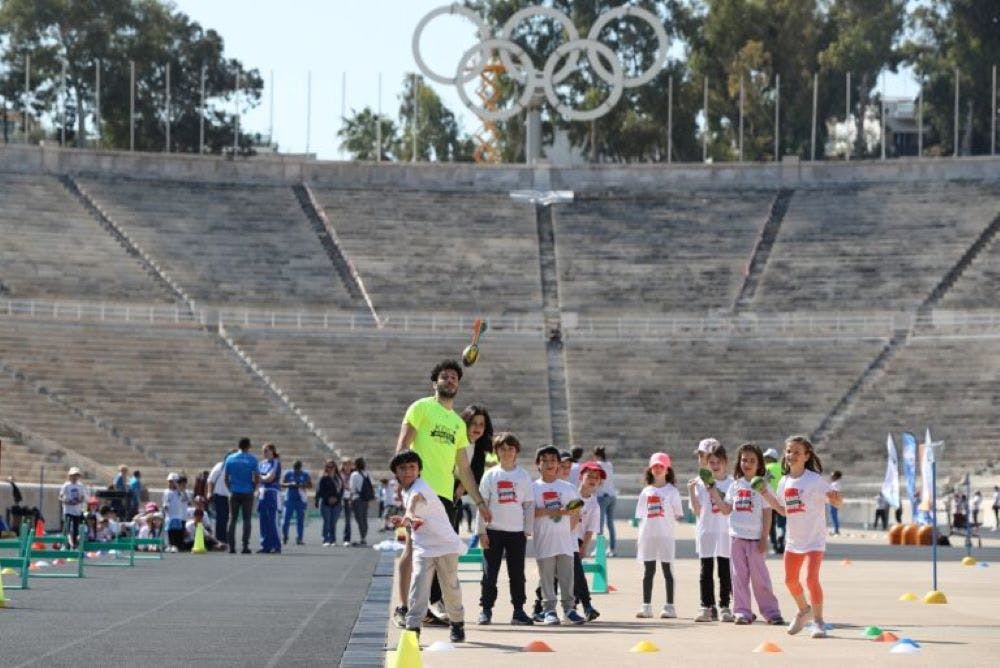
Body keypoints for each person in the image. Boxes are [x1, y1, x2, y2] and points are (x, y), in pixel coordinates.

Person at [393, 360, 491, 629]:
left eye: (454, 378)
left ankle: (422, 608)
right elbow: (402, 445)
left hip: (445, 496)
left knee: (439, 556)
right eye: (444, 377)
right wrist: (402, 483)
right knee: (414, 549)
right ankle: (404, 608)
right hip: (420, 490)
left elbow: (463, 468)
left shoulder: (458, 424)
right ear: (434, 382)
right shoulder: (422, 407)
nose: (450, 380)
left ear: (459, 384)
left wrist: (480, 502)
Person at [758, 435, 843, 639]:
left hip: (814, 539)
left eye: (797, 452)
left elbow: (837, 503)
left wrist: (836, 499)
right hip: (794, 540)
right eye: (789, 451)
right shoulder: (784, 482)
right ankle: (804, 610)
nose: (791, 455)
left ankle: (819, 622)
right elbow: (783, 510)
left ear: (806, 456)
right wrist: (764, 493)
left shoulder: (814, 480)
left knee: (811, 579)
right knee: (790, 581)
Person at [390, 450, 468, 644]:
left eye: (412, 467)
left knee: (450, 587)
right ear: (396, 473)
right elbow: (416, 516)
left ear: (419, 470)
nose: (407, 471)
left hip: (445, 545)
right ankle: (413, 628)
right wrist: (407, 520)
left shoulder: (420, 487)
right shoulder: (404, 490)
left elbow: (416, 501)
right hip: (423, 546)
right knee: (418, 586)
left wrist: (407, 514)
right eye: (402, 468)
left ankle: (457, 623)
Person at [707, 443, 784, 626]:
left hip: (756, 540)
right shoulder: (735, 486)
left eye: (752, 460)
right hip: (736, 539)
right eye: (744, 460)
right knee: (738, 577)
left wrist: (764, 539)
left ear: (759, 464)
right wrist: (713, 491)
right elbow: (726, 510)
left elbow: (767, 513)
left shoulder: (762, 486)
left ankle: (771, 612)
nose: (747, 463)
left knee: (760, 579)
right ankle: (742, 612)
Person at [476, 432, 534, 626]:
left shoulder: (523, 475)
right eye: (502, 448)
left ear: (516, 451)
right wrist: (481, 531)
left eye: (511, 448)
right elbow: (482, 504)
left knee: (517, 573)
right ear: (496, 451)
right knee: (489, 573)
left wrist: (527, 528)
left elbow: (528, 504)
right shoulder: (490, 474)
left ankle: (518, 610)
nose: (507, 452)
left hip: (516, 532)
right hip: (493, 531)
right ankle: (486, 610)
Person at [532, 445, 586, 625]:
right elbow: (531, 512)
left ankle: (569, 610)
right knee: (546, 578)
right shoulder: (533, 488)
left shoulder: (568, 487)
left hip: (565, 541)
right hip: (544, 539)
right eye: (544, 460)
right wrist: (558, 511)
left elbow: (576, 510)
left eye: (553, 460)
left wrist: (568, 531)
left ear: (558, 464)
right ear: (537, 464)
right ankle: (549, 611)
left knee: (567, 577)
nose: (549, 464)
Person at [688, 439, 734, 622]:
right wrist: (691, 491)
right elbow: (698, 511)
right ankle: (706, 606)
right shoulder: (699, 483)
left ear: (725, 462)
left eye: (718, 462)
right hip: (706, 530)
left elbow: (729, 509)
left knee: (725, 571)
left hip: (725, 531)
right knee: (705, 570)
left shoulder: (732, 483)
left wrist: (714, 491)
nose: (715, 466)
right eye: (711, 462)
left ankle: (724, 606)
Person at [634, 452, 684, 620]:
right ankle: (646, 606)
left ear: (667, 470)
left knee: (667, 571)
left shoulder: (672, 491)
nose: (657, 469)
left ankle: (670, 606)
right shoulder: (646, 491)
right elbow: (641, 515)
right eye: (654, 466)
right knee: (648, 571)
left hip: (665, 536)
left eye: (661, 466)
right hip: (648, 536)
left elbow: (678, 514)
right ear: (650, 469)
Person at [573, 460, 603, 621]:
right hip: (562, 538)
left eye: (596, 477)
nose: (592, 479)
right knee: (555, 575)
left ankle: (584, 606)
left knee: (576, 573)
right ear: (581, 477)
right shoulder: (571, 494)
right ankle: (540, 607)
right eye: (589, 475)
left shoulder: (594, 505)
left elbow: (590, 529)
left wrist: (584, 547)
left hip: (577, 542)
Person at [224, 437, 259, 555]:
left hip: (234, 491)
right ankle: (245, 546)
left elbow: (226, 477)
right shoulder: (252, 459)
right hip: (247, 491)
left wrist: (230, 488)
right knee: (247, 519)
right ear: (248, 446)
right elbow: (257, 477)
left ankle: (231, 547)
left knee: (232, 519)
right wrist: (253, 488)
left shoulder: (230, 458)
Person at [593, 446, 617, 557]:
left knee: (599, 525)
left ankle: (599, 549)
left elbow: (600, 481)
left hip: (602, 496)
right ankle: (612, 549)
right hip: (612, 495)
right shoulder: (609, 464)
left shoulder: (597, 465)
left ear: (595, 454)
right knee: (610, 524)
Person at [257, 443, 282, 553]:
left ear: (272, 451)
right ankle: (265, 545)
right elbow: (256, 478)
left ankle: (276, 545)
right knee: (263, 520)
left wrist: (260, 478)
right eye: (263, 451)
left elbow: (270, 478)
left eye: (266, 450)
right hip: (262, 493)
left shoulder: (276, 462)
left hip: (272, 492)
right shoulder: (261, 463)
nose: (264, 453)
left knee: (272, 520)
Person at [207, 451, 233, 549]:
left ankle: (226, 539)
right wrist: (209, 493)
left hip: (231, 496)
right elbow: (210, 480)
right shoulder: (220, 466)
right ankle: (220, 540)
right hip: (220, 495)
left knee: (228, 519)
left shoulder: (235, 467)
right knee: (221, 518)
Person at [282, 460, 312, 545]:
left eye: (298, 468)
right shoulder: (288, 473)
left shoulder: (305, 474)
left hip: (300, 500)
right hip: (290, 499)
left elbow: (310, 485)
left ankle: (299, 538)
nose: (296, 470)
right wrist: (290, 484)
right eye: (295, 468)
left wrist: (301, 485)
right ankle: (285, 536)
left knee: (300, 520)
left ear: (300, 467)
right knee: (285, 519)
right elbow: (282, 483)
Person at [59, 467, 89, 549]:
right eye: (73, 475)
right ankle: (66, 543)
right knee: (67, 527)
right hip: (68, 510)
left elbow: (84, 497)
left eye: (76, 475)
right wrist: (66, 501)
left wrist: (79, 501)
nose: (75, 477)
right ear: (70, 476)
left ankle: (74, 544)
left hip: (77, 511)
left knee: (76, 528)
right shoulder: (66, 486)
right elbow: (61, 497)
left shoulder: (81, 486)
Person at [763, 448, 786, 553]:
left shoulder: (764, 468)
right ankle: (781, 543)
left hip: (769, 500)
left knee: (770, 524)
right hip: (782, 501)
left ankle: (775, 545)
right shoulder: (783, 467)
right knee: (781, 524)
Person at [315, 459, 343, 546]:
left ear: (335, 468)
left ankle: (333, 539)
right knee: (327, 521)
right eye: (328, 467)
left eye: (332, 467)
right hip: (326, 502)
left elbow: (341, 491)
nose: (330, 468)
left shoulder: (338, 479)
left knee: (333, 522)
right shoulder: (323, 478)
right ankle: (326, 539)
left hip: (337, 503)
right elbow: (320, 491)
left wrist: (337, 499)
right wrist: (328, 498)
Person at [349, 457, 373, 546]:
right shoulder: (366, 474)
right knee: (364, 518)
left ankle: (362, 537)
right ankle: (364, 537)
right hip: (365, 499)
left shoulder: (354, 475)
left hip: (357, 498)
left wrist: (350, 500)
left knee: (359, 519)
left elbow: (352, 488)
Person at [162, 473, 189, 552]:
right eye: (170, 481)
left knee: (177, 531)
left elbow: (185, 499)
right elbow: (165, 502)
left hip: (178, 516)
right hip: (170, 516)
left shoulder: (179, 492)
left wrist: (179, 489)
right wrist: (165, 508)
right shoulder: (167, 492)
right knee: (171, 531)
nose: (172, 483)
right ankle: (170, 545)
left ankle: (176, 545)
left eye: (174, 481)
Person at [336, 457, 354, 546]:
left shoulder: (354, 474)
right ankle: (331, 538)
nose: (346, 466)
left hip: (349, 499)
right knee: (334, 519)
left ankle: (347, 539)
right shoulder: (338, 474)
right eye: (344, 464)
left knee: (347, 520)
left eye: (348, 464)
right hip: (339, 498)